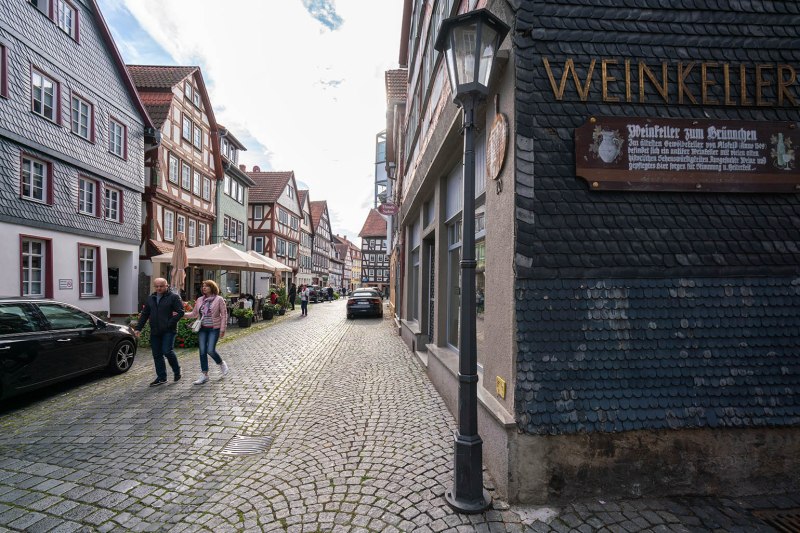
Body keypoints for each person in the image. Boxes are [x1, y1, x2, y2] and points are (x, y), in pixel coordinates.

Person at [135, 277, 184, 387]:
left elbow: (181, 312)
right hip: (155, 330)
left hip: (169, 330)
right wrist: (138, 328)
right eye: (156, 286)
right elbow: (145, 314)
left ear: (167, 286)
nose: (159, 288)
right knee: (157, 354)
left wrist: (169, 323)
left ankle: (177, 370)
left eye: (161, 286)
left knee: (167, 351)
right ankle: (162, 377)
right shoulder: (151, 298)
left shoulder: (173, 297)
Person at [183, 280, 229, 385]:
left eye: (207, 286)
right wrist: (181, 314)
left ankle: (221, 363)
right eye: (203, 286)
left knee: (210, 350)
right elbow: (194, 314)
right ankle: (204, 375)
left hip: (214, 328)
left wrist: (222, 329)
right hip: (202, 328)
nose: (204, 288)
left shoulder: (219, 299)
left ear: (212, 288)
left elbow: (224, 315)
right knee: (202, 351)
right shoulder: (200, 299)